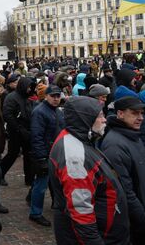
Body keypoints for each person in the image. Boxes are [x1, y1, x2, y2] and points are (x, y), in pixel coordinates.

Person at [49, 96, 131, 244]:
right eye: (100, 116)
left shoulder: (78, 138)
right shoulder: (75, 157)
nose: (105, 119)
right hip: (98, 235)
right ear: (85, 119)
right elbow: (81, 211)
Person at [101, 96, 145, 244]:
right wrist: (141, 217)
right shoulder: (115, 145)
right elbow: (125, 191)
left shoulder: (132, 134)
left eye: (141, 113)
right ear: (120, 114)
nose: (140, 118)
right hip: (133, 219)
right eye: (134, 113)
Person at [28, 85, 64, 227]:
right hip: (46, 153)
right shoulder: (39, 112)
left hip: (56, 152)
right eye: (53, 96)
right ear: (47, 96)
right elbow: (36, 136)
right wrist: (41, 157)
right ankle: (35, 213)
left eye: (58, 96)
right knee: (41, 184)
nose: (56, 99)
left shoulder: (58, 111)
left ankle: (33, 198)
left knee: (50, 182)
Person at [1, 76, 36, 186]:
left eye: (31, 87)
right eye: (29, 87)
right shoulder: (12, 97)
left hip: (27, 130)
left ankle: (29, 179)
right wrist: (19, 129)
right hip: (15, 131)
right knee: (12, 154)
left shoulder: (27, 97)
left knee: (29, 155)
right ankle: (0, 174)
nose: (30, 89)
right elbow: (8, 115)